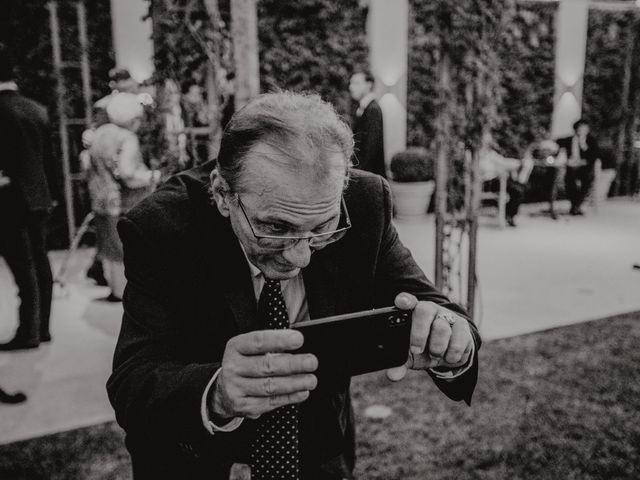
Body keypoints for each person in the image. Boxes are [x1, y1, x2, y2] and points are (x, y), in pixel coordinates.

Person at [107, 92, 480, 480]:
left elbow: (435, 307)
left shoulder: (365, 203)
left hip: (317, 447)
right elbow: (134, 381)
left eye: (322, 228)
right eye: (275, 228)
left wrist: (452, 336)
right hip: (192, 459)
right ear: (221, 195)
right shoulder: (162, 228)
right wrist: (217, 393)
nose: (301, 257)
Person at [0, 44, 55, 351]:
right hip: (39, 196)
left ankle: (28, 332)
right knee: (40, 261)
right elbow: (48, 160)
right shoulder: (36, 108)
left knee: (23, 268)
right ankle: (43, 328)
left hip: (10, 198)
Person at [87, 93, 159, 301]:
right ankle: (124, 293)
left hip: (100, 198)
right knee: (124, 247)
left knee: (109, 247)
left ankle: (114, 289)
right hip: (123, 201)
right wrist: (152, 176)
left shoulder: (99, 134)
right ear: (132, 119)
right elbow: (127, 173)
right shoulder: (126, 138)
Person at [479, 132, 531, 227]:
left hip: (496, 180)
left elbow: (503, 162)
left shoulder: (490, 153)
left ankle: (508, 214)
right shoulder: (480, 155)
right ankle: (508, 214)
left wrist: (520, 163)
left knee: (519, 189)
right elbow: (489, 168)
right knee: (516, 190)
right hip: (487, 182)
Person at [349, 70, 386, 178]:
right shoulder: (362, 108)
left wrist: (359, 174)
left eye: (356, 83)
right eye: (351, 83)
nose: (351, 88)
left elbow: (371, 148)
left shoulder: (373, 109)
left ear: (369, 85)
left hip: (369, 175)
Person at [559, 119, 600, 216]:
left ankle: (575, 206)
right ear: (575, 129)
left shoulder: (591, 141)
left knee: (587, 181)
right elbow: (558, 146)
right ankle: (575, 206)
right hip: (571, 167)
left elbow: (594, 156)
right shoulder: (568, 140)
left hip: (585, 167)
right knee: (569, 180)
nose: (582, 131)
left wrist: (584, 146)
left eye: (584, 129)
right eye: (580, 129)